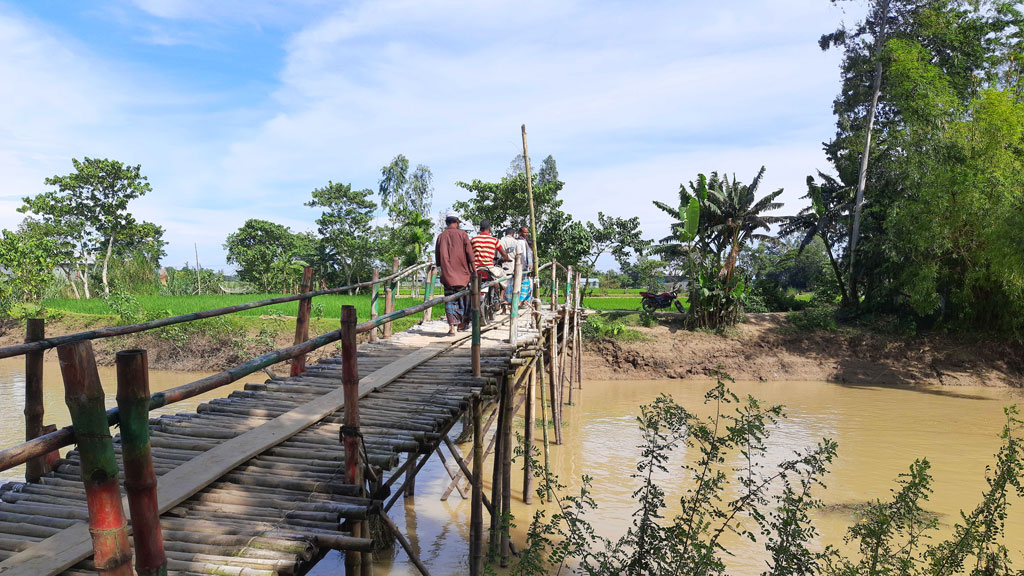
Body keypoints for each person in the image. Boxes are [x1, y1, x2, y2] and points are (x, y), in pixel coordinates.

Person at [435, 213, 475, 335]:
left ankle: (452, 326)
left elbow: (437, 259)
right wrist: (474, 271)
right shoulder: (463, 235)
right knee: (465, 299)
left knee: (450, 300)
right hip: (463, 275)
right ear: (457, 222)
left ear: (447, 222)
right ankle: (462, 324)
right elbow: (470, 255)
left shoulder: (441, 237)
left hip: (447, 276)